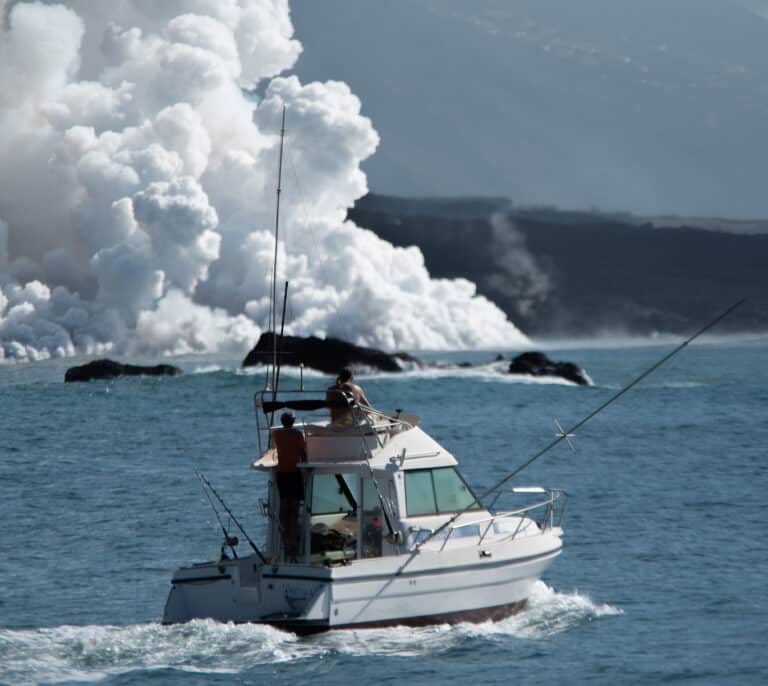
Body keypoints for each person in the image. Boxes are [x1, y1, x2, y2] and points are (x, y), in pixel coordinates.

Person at [271, 411, 306, 560]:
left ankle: (285, 540)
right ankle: (292, 540)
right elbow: (303, 453)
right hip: (294, 472)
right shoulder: (298, 434)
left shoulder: (277, 435)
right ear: (293, 421)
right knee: (294, 508)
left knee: (284, 506)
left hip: (282, 473)